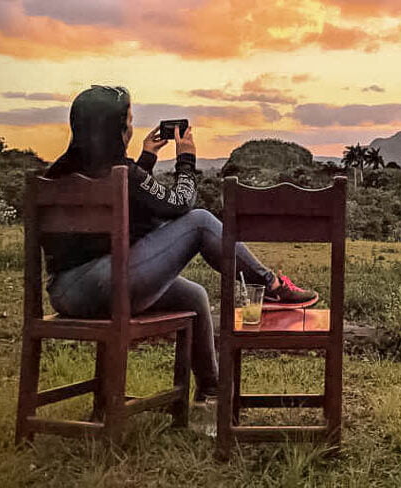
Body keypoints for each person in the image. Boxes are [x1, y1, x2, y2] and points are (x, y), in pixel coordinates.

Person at [42, 85, 318, 401]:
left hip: (64, 294)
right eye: (128, 120)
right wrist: (186, 159)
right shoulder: (123, 174)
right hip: (103, 287)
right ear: (118, 128)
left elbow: (126, 204)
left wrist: (146, 158)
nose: (131, 127)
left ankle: (210, 390)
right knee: (200, 221)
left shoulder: (56, 174)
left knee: (194, 295)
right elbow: (180, 203)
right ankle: (271, 285)